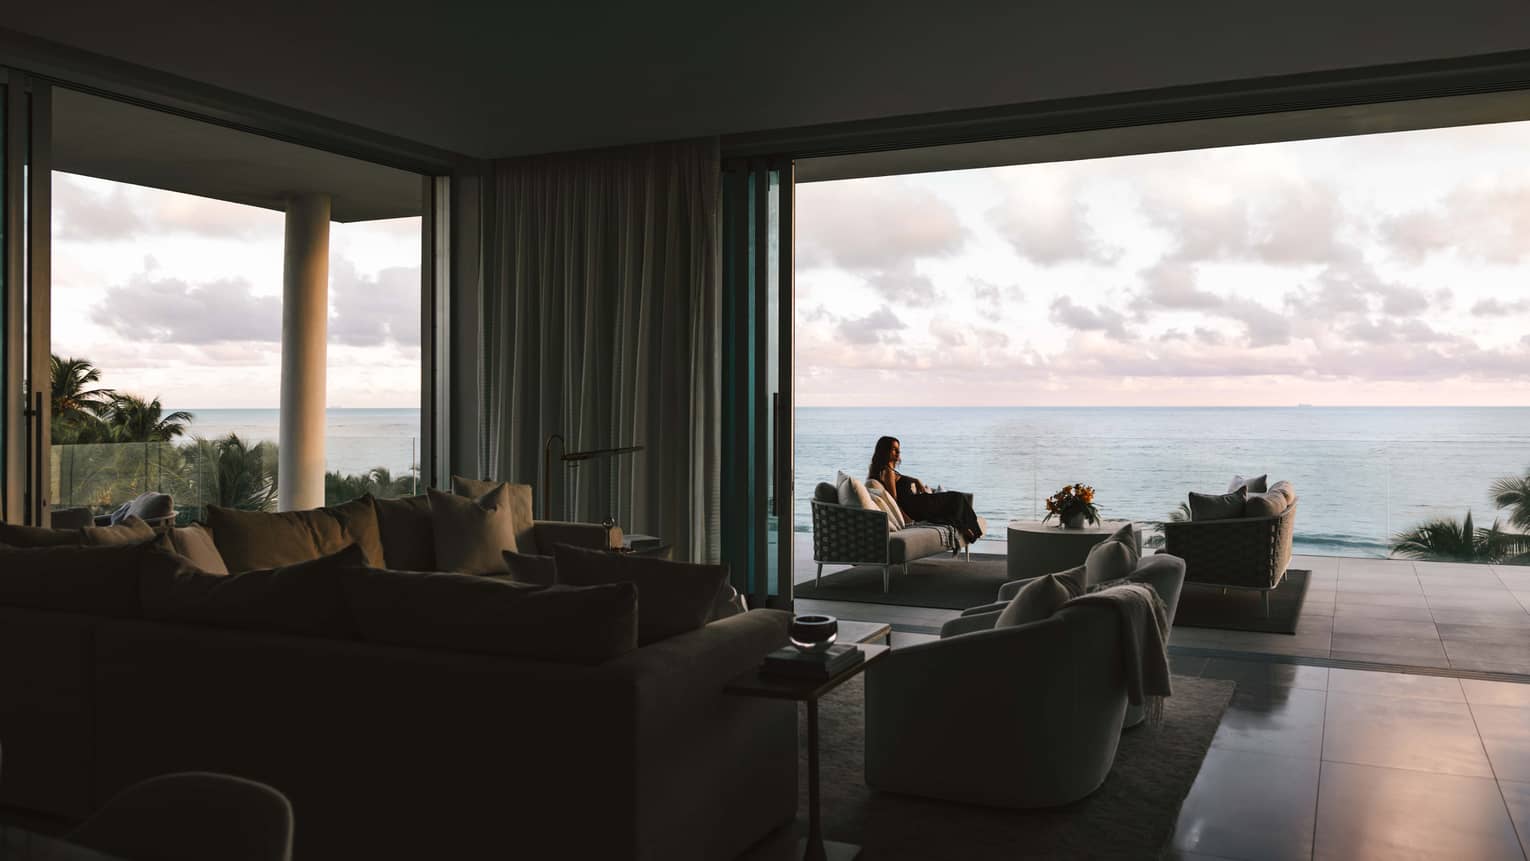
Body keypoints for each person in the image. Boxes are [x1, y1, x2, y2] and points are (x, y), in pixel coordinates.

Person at [867, 435, 983, 545]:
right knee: (956, 498)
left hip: (917, 503)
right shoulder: (888, 472)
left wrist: (916, 480)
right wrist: (907, 519)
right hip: (916, 505)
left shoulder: (889, 470)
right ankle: (967, 529)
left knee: (955, 500)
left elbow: (899, 482)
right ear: (884, 451)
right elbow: (894, 499)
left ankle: (965, 528)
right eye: (894, 449)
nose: (898, 452)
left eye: (899, 449)